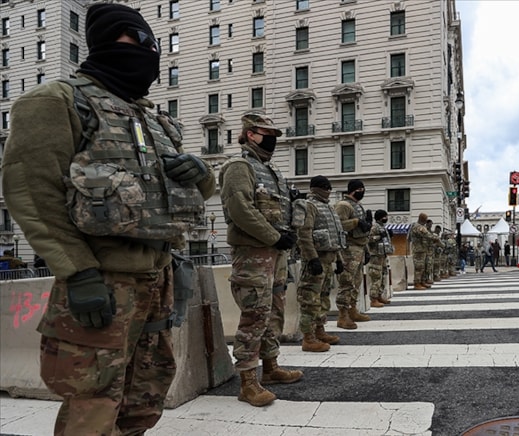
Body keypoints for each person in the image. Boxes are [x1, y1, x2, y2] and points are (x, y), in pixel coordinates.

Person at [1, 4, 216, 433]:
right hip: (101, 279)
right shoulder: (57, 101)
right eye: (137, 40)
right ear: (110, 40)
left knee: (145, 395)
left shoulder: (152, 117)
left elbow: (180, 196)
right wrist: (77, 272)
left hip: (159, 276)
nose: (147, 52)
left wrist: (203, 174)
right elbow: (31, 193)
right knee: (93, 402)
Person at [219, 111, 303, 407]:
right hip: (254, 253)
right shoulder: (239, 167)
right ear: (251, 134)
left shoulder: (272, 171)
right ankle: (247, 381)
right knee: (254, 315)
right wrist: (274, 237)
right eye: (268, 135)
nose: (272, 140)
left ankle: (270, 367)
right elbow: (240, 209)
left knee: (275, 311)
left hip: (276, 254)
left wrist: (285, 238)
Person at [292, 176, 346, 350]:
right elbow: (304, 234)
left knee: (322, 298)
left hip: (328, 260)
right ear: (314, 188)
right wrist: (312, 258)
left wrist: (339, 259)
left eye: (329, 186)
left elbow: (334, 236)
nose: (328, 190)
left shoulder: (329, 207)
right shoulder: (307, 205)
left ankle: (319, 330)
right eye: (324, 187)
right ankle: (308, 337)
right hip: (315, 260)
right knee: (310, 300)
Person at [334, 179, 372, 329]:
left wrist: (367, 250)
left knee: (356, 282)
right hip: (348, 249)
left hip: (359, 248)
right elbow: (339, 225)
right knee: (346, 282)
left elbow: (363, 231)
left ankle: (352, 309)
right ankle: (342, 315)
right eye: (360, 189)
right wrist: (356, 222)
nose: (362, 191)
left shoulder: (357, 206)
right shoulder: (343, 205)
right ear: (353, 190)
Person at [367, 210, 394, 307]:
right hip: (376, 256)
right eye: (385, 216)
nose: (386, 218)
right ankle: (373, 299)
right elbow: (369, 239)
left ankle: (379, 296)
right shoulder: (374, 227)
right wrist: (379, 237)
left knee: (383, 276)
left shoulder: (383, 227)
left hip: (382, 255)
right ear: (380, 217)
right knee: (376, 277)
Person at [409, 213, 434, 289]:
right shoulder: (418, 227)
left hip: (422, 249)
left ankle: (422, 281)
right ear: (422, 219)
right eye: (425, 219)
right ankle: (417, 283)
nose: (426, 221)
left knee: (422, 267)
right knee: (419, 267)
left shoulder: (420, 226)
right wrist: (435, 238)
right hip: (418, 250)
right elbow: (427, 235)